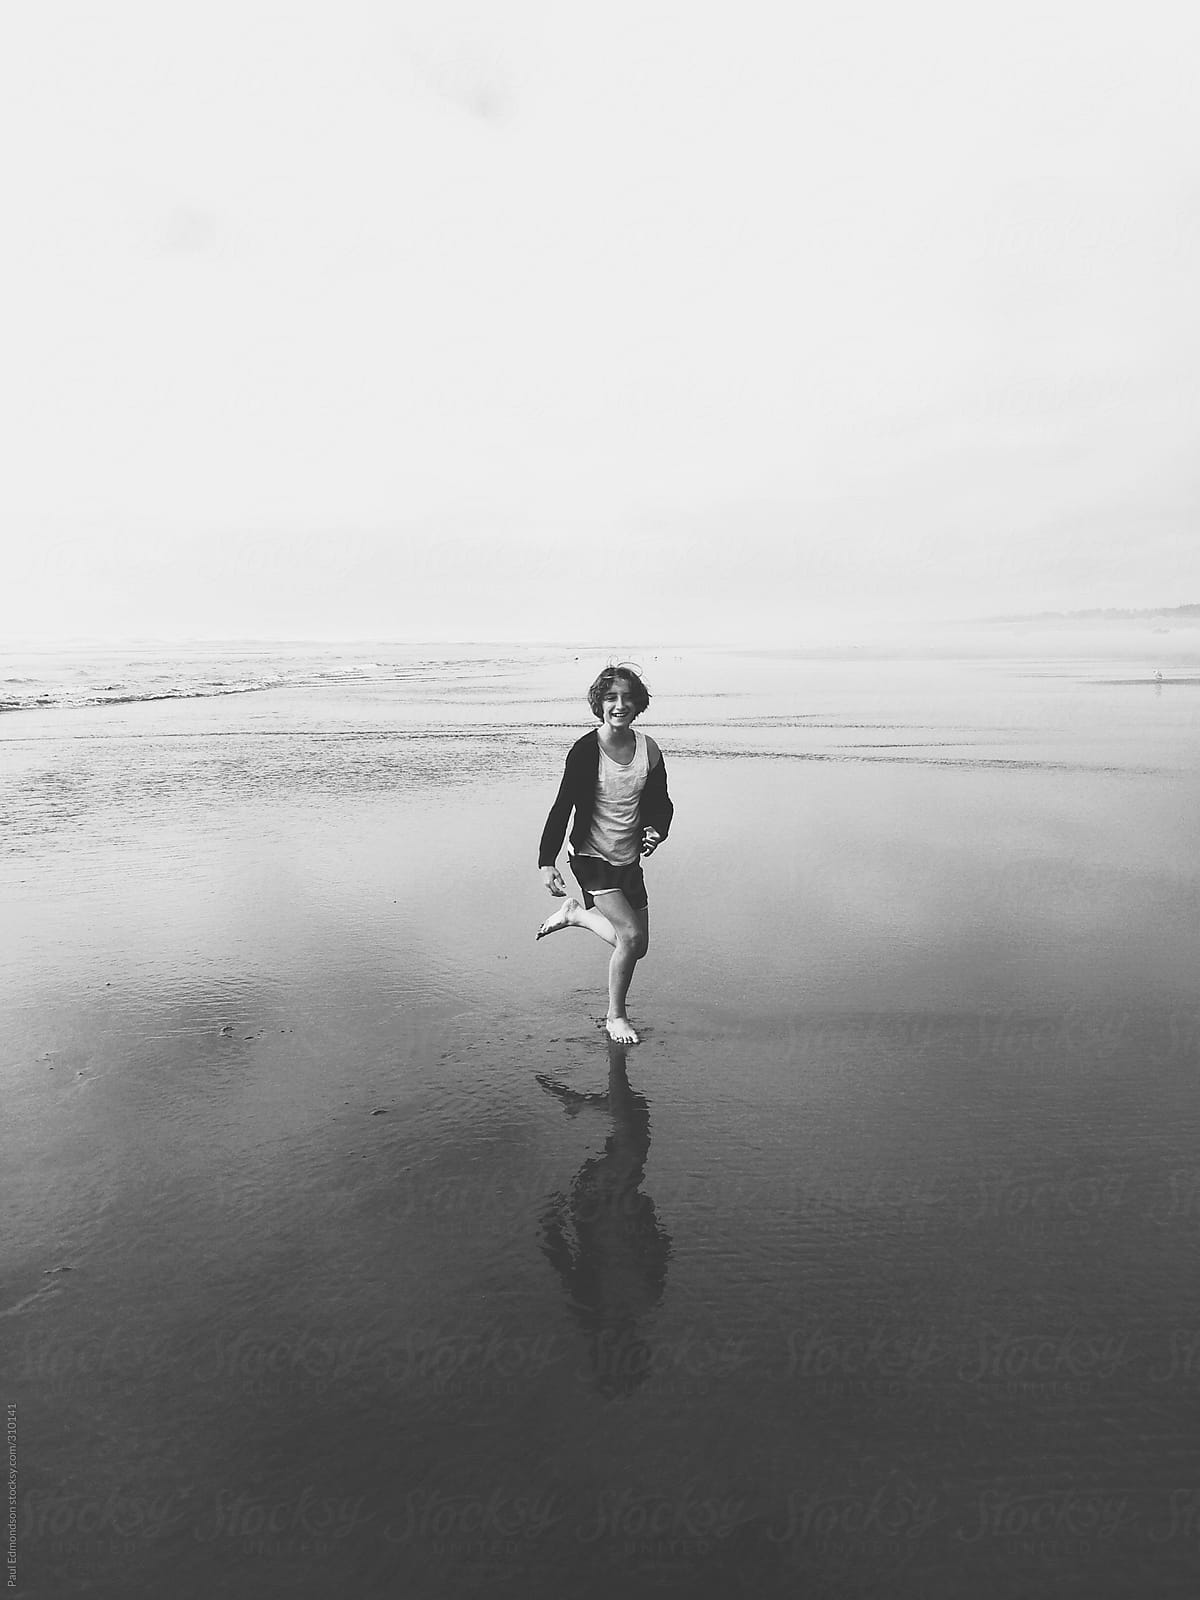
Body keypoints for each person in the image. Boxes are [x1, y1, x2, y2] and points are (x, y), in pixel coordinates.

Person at [536, 665, 673, 1044]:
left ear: (638, 703)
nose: (620, 705)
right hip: (590, 856)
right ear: (600, 704)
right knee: (629, 937)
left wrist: (656, 831)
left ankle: (576, 915)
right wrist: (547, 860)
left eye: (627, 698)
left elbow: (661, 804)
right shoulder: (585, 751)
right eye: (611, 698)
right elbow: (562, 806)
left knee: (638, 945)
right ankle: (616, 1016)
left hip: (627, 857)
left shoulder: (649, 750)